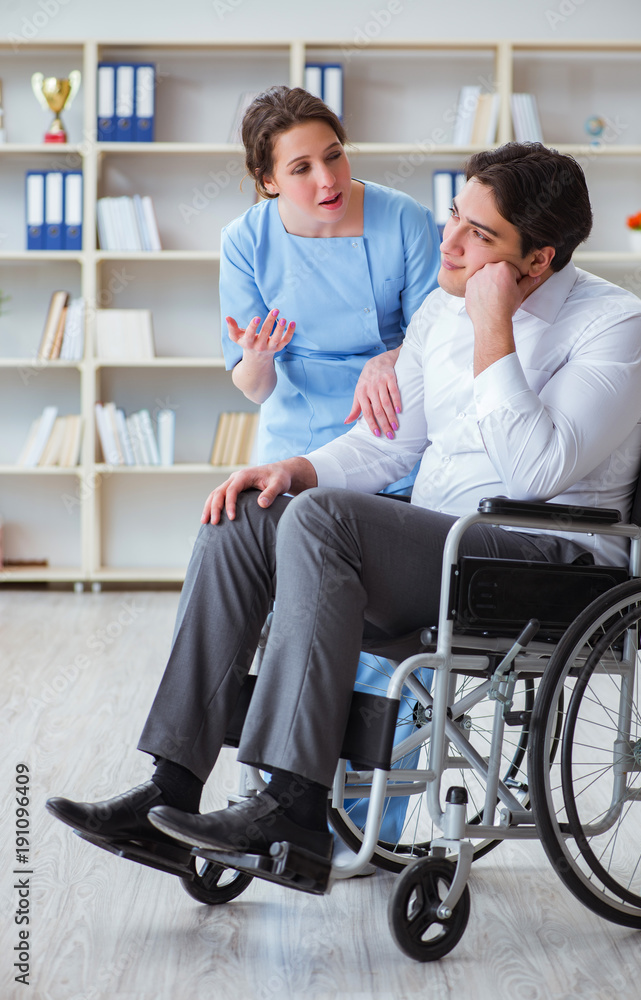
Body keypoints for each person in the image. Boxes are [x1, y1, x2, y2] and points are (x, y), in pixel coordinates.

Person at [47, 142, 641, 869]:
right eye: (454, 215)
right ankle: (171, 788)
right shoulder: (443, 306)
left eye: (479, 234)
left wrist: (492, 326)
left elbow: (535, 471)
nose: (450, 242)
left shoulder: (618, 327)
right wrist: (295, 468)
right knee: (249, 512)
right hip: (443, 548)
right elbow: (390, 445)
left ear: (538, 259)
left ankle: (292, 809)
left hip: (544, 563)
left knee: (324, 519)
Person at [220, 85, 440, 845]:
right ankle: (273, 794)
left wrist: (392, 356)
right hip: (291, 447)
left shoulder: (405, 221)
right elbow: (252, 384)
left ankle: (365, 821)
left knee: (378, 637)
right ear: (268, 180)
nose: (328, 179)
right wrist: (257, 358)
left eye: (335, 155)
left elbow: (439, 343)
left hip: (387, 439)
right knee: (288, 620)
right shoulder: (245, 240)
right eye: (302, 167)